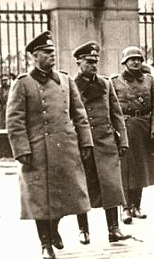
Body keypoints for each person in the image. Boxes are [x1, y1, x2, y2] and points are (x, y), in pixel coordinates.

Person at [6, 31, 93, 259]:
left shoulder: (65, 80)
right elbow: (14, 120)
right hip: (37, 151)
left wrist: (85, 142)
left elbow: (80, 114)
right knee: (39, 200)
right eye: (46, 53)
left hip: (64, 148)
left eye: (53, 52)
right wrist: (22, 149)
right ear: (35, 57)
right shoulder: (23, 84)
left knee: (65, 195)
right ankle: (46, 244)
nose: (51, 56)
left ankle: (54, 229)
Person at [71, 41, 131, 244]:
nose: (93, 65)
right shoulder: (71, 85)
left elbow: (117, 113)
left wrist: (123, 139)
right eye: (89, 62)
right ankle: (83, 230)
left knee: (111, 185)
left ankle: (114, 229)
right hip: (83, 144)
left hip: (106, 142)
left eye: (95, 62)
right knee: (83, 187)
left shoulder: (105, 84)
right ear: (79, 62)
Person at [111, 46, 154, 224]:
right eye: (132, 59)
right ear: (124, 62)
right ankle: (125, 208)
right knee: (125, 169)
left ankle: (136, 206)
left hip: (143, 128)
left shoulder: (149, 81)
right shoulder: (115, 82)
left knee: (140, 168)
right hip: (124, 128)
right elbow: (111, 109)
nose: (136, 62)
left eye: (139, 59)